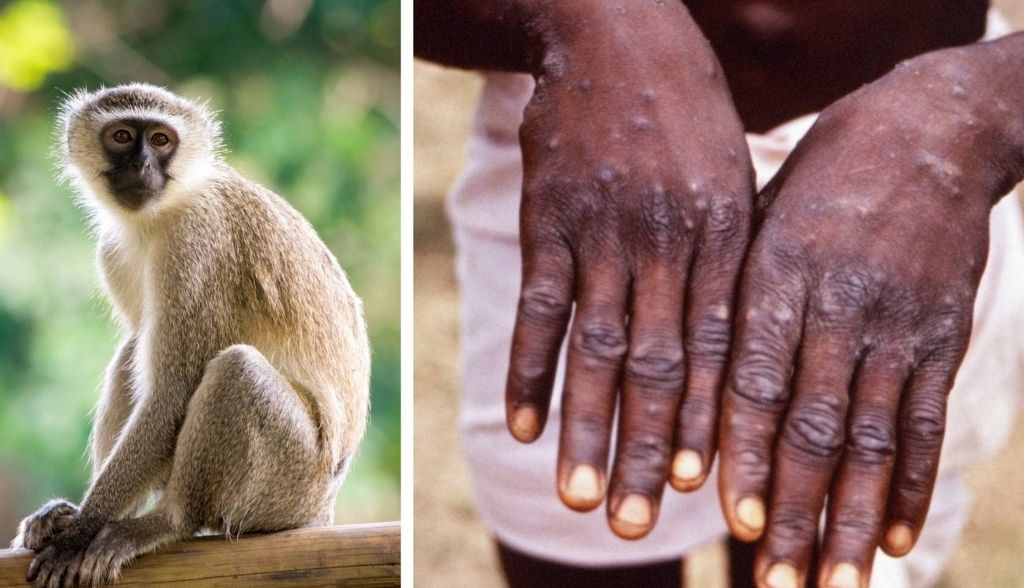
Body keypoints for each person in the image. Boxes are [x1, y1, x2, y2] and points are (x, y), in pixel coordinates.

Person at [416, 2, 1024, 586]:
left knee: (831, 549)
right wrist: (583, 16)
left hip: (911, 184)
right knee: (573, 538)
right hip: (593, 136)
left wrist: (978, 109)